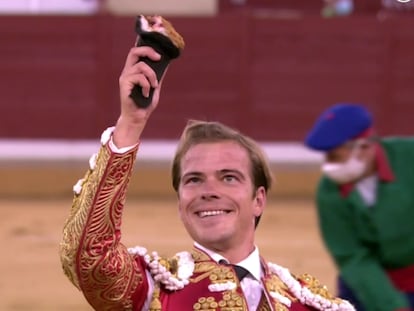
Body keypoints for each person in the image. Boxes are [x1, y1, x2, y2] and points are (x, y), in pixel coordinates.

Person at [59, 44, 356, 311]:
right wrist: (131, 123)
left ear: (258, 200)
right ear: (180, 204)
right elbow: (89, 256)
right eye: (193, 180)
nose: (208, 190)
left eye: (228, 178)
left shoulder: (308, 303)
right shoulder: (153, 290)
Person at [304, 103, 414, 311]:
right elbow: (353, 257)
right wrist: (394, 307)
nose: (329, 166)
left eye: (335, 156)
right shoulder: (328, 193)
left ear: (365, 146)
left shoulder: (410, 158)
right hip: (365, 288)